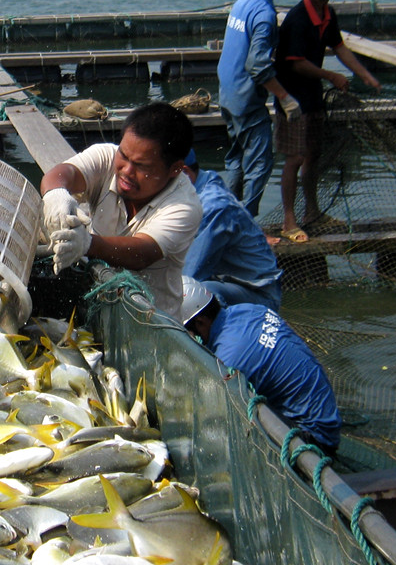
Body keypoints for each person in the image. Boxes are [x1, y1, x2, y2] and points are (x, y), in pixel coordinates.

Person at [40, 102, 202, 317]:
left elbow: (142, 252)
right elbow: (64, 172)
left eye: (142, 166)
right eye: (124, 156)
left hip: (148, 322)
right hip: (99, 301)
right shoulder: (106, 157)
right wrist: (56, 194)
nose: (126, 171)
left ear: (175, 169)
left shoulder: (185, 207)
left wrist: (87, 243)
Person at [274, 0, 381, 243]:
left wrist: (365, 75)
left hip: (313, 97)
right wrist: (331, 76)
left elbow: (339, 47)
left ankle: (312, 212)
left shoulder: (328, 14)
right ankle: (288, 220)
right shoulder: (297, 18)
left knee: (313, 155)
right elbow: (295, 63)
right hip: (291, 98)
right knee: (294, 158)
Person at [180, 276, 341, 456]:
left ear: (201, 322)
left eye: (188, 332)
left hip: (313, 439)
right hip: (327, 417)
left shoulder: (229, 358)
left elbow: (212, 410)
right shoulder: (248, 309)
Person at [218, 0, 304, 218]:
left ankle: (228, 217)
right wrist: (285, 98)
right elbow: (257, 65)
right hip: (246, 99)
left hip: (226, 93)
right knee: (259, 164)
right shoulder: (265, 14)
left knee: (236, 159)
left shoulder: (242, 3)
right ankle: (247, 227)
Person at [182, 149, 282, 312]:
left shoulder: (213, 207)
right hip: (228, 282)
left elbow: (191, 276)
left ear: (184, 174)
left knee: (191, 292)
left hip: (258, 298)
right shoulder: (204, 180)